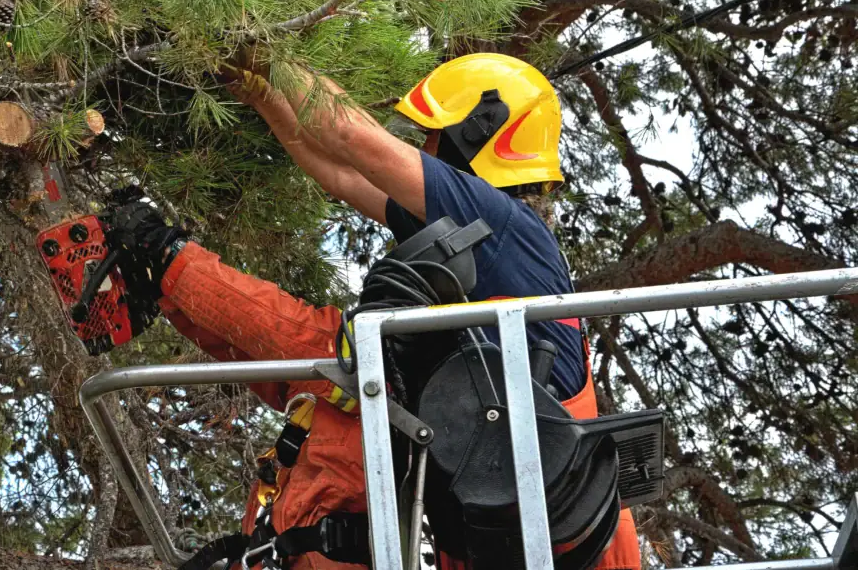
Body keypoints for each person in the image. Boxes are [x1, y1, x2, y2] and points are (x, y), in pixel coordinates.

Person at [121, 54, 641, 569]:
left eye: (433, 135)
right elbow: (342, 176)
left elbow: (351, 137)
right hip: (502, 526)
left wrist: (261, 49)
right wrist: (261, 92)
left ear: (479, 132)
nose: (425, 148)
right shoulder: (480, 236)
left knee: (350, 351)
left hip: (539, 530)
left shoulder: (504, 226)